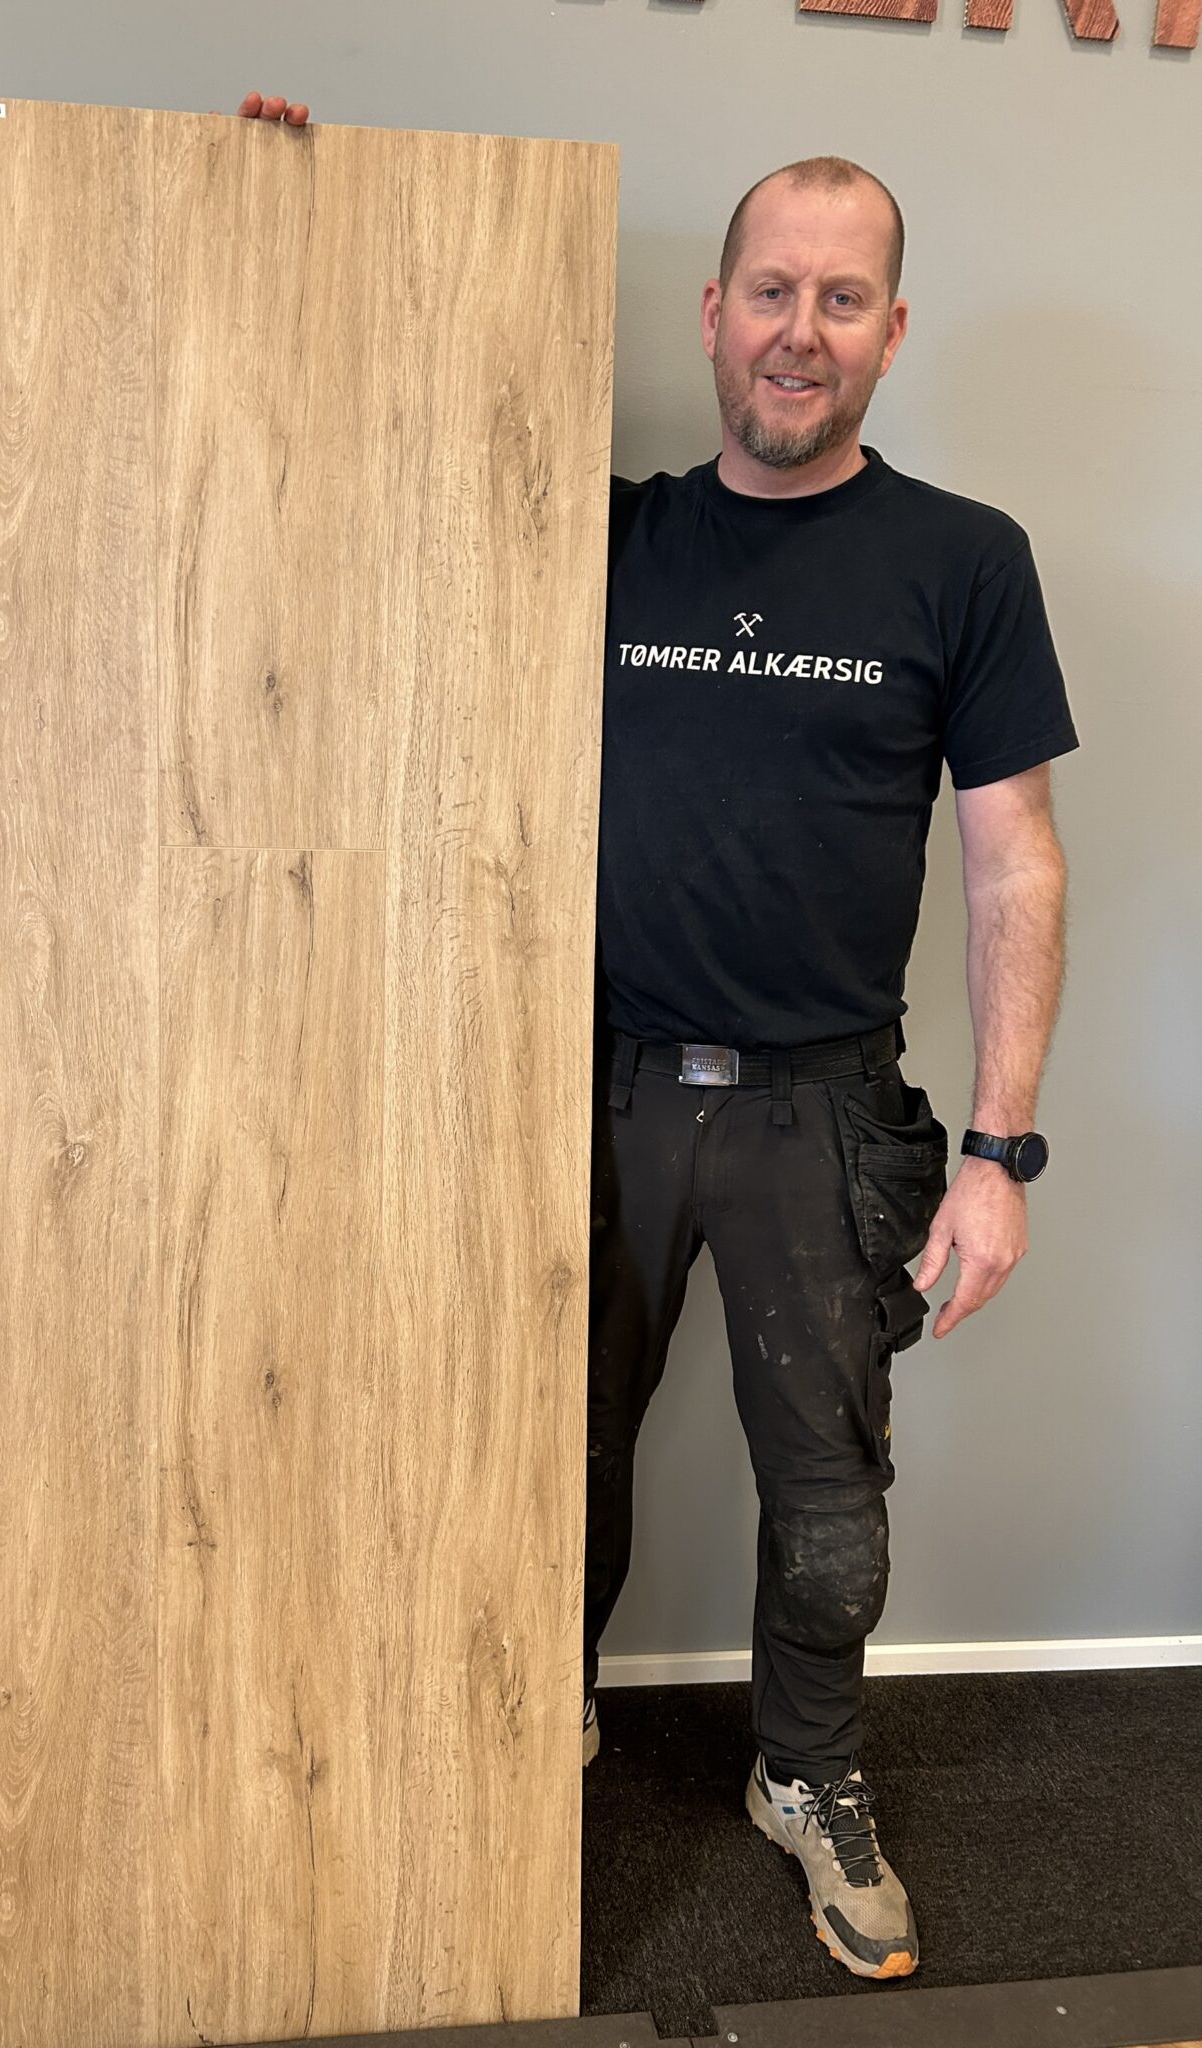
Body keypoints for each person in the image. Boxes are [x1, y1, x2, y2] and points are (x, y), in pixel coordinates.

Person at [231, 94, 1076, 1984]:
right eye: (771, 290)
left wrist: (1002, 1153)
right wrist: (285, 211)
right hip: (579, 1090)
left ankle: (808, 1774)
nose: (801, 331)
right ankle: (520, 1733)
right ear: (711, 311)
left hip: (822, 1113)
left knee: (831, 1508)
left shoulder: (962, 560)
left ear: (892, 330)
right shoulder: (590, 534)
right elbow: (340, 463)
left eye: (842, 300)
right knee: (532, 1457)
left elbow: (1014, 855)